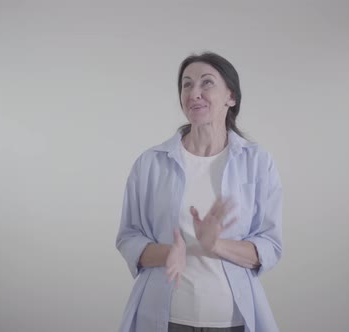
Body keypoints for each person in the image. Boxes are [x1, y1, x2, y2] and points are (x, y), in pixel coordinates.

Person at [116, 52, 283, 332]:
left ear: (231, 96)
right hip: (166, 320)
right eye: (186, 84)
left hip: (232, 320)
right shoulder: (151, 162)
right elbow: (128, 237)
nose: (194, 93)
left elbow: (270, 245)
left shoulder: (257, 162)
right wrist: (172, 252)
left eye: (206, 83)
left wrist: (214, 245)